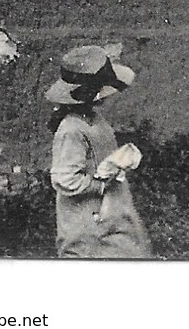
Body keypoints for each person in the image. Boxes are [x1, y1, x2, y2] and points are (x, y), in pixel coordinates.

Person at [46, 45, 151, 258]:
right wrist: (101, 184)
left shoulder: (95, 120)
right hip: (87, 220)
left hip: (112, 209)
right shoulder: (71, 129)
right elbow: (65, 179)